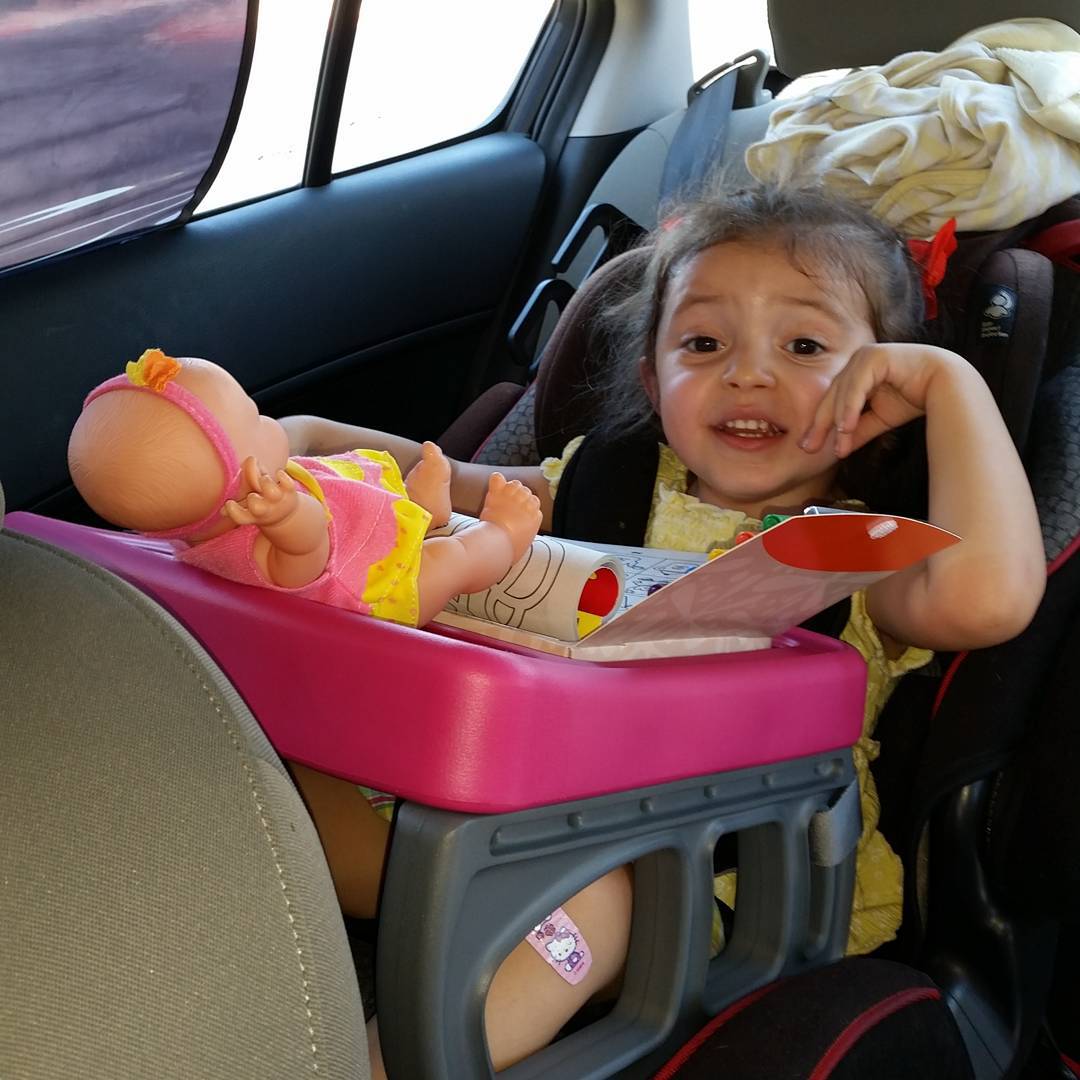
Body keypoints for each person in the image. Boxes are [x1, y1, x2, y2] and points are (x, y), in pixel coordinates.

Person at [283, 180, 1045, 1076]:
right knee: (269, 771)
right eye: (704, 343)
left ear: (881, 385)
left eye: (804, 345)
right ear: (654, 379)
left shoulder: (857, 557)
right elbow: (433, 487)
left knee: (593, 893)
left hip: (709, 882)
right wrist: (302, 440)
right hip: (494, 811)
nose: (747, 373)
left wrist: (949, 384)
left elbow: (992, 598)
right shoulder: (599, 485)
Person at [68, 348, 543, 630]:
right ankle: (503, 534)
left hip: (359, 538)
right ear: (244, 482)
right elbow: (312, 546)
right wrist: (288, 518)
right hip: (377, 591)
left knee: (349, 479)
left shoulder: (217, 513)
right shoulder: (260, 551)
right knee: (452, 560)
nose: (268, 418)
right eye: (255, 417)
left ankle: (418, 512)